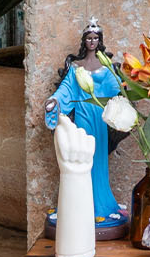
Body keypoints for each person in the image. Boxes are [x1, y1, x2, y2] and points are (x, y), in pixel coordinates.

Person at [47, 18, 134, 232]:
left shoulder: (106, 65)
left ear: (100, 41)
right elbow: (66, 89)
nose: (92, 42)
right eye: (89, 38)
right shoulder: (76, 67)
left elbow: (118, 89)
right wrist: (54, 102)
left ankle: (102, 205)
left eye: (95, 38)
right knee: (83, 157)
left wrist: (125, 103)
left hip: (101, 116)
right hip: (84, 115)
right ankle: (78, 204)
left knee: (99, 159)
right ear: (84, 41)